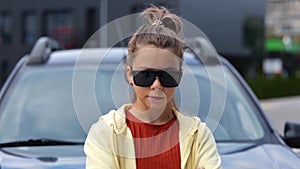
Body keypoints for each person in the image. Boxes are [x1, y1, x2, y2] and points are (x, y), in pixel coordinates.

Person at [84, 6, 221, 169]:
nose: (157, 85)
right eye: (146, 75)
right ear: (130, 74)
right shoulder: (105, 133)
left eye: (167, 76)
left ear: (180, 76)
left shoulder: (199, 135)